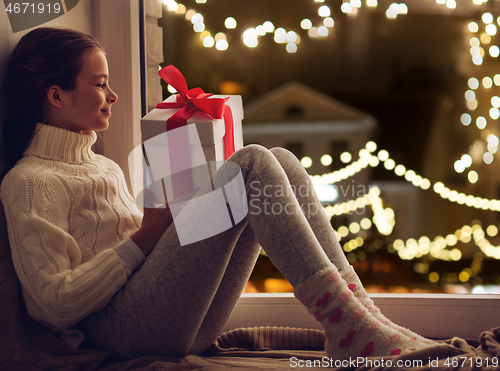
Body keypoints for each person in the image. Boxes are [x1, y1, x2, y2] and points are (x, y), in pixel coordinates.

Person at [0, 27, 435, 361]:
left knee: (279, 159)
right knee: (251, 164)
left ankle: (360, 316)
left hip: (175, 319)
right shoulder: (30, 182)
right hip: (118, 333)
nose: (113, 96)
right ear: (56, 95)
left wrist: (175, 218)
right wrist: (147, 236)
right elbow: (53, 306)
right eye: (99, 84)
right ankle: (349, 327)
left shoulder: (102, 165)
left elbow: (137, 253)